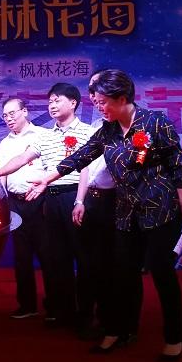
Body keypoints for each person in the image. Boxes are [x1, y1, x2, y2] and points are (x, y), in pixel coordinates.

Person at [26, 69, 182, 362]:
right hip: (126, 211)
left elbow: (177, 167)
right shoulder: (107, 131)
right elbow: (80, 157)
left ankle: (174, 336)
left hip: (161, 209)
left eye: (103, 102)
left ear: (121, 99)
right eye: (96, 103)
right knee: (122, 274)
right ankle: (118, 330)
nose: (99, 108)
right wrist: (47, 178)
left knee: (162, 273)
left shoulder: (156, 122)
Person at [0, 83, 94, 329]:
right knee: (58, 258)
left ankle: (86, 315)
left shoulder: (88, 132)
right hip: (50, 199)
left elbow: (87, 169)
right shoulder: (45, 136)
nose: (52, 105)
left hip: (75, 196)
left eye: (57, 100)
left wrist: (80, 200)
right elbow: (22, 159)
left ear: (73, 103)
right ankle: (64, 312)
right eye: (50, 101)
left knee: (84, 258)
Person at [71, 71, 118, 339]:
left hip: (116, 203)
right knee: (87, 264)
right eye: (92, 92)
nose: (95, 98)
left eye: (99, 92)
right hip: (91, 201)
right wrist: (80, 200)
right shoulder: (98, 130)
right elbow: (85, 167)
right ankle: (85, 316)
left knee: (109, 265)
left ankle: (111, 321)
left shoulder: (132, 129)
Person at [0, 97, 48, 319]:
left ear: (25, 111)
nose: (9, 118)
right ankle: (27, 305)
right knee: (21, 257)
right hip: (15, 203)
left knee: (48, 255)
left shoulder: (43, 135)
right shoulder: (5, 143)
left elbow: (54, 168)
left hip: (40, 200)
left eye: (12, 113)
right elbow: (0, 174)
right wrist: (2, 201)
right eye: (5, 115)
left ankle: (54, 306)